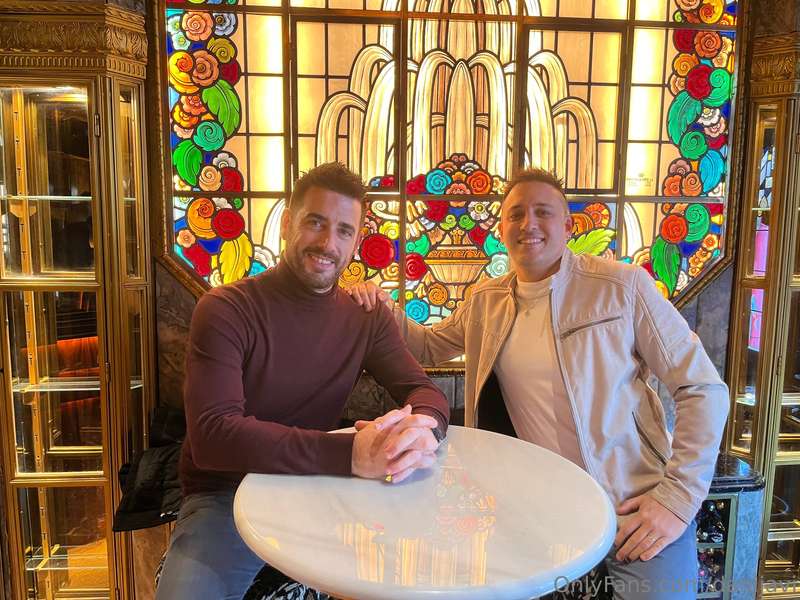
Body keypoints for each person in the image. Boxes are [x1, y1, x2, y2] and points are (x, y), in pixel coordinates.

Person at [348, 167, 729, 599]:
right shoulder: (486, 300)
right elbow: (429, 347)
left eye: (543, 212)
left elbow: (703, 388)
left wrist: (677, 500)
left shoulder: (622, 287)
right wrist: (382, 307)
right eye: (516, 214)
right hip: (544, 517)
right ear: (502, 230)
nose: (528, 224)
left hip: (634, 507)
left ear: (568, 226)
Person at [156, 162, 449, 600]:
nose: (328, 243)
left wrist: (422, 429)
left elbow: (423, 391)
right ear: (287, 223)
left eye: (344, 230)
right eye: (315, 222)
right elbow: (213, 436)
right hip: (225, 497)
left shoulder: (365, 317)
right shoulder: (226, 309)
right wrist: (351, 454)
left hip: (314, 489)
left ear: (356, 243)